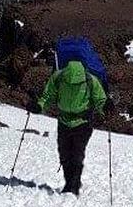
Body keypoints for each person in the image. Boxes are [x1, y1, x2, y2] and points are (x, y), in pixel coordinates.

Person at [35, 60, 107, 195]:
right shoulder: (90, 80)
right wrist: (106, 108)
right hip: (80, 120)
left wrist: (39, 105)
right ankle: (72, 184)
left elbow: (48, 96)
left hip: (74, 121)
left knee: (71, 154)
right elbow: (100, 100)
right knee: (71, 154)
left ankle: (72, 186)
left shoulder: (59, 77)